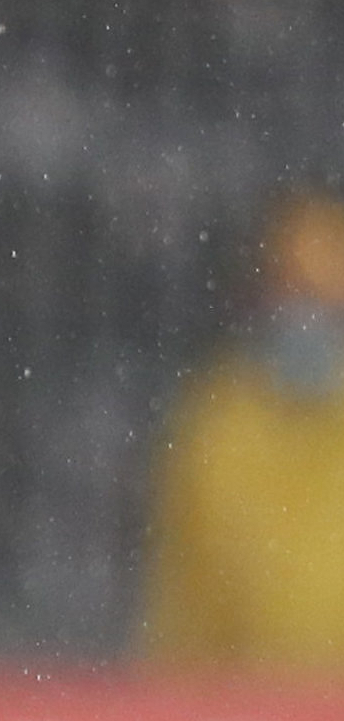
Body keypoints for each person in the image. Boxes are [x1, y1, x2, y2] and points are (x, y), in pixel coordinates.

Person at [144, 190, 344, 672]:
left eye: (322, 299)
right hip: (242, 716)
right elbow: (183, 591)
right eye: (293, 293)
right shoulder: (217, 423)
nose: (307, 319)